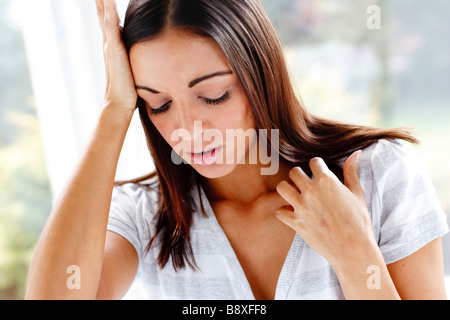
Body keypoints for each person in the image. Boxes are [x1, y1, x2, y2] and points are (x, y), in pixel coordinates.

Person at [25, 0, 448, 300]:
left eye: (213, 95)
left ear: (260, 74)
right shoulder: (144, 216)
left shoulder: (378, 173)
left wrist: (355, 255)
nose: (188, 130)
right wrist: (114, 111)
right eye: (159, 104)